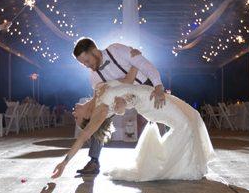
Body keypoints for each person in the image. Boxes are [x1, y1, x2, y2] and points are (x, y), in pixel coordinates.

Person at [51, 67, 215, 181]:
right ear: (86, 118)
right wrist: (64, 163)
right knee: (186, 124)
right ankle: (183, 166)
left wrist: (135, 61)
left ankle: (175, 164)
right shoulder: (100, 111)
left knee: (191, 117)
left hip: (149, 92)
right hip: (151, 104)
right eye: (76, 118)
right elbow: (84, 136)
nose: (73, 114)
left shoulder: (98, 90)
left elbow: (128, 80)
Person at [72, 37, 166, 175]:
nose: (87, 65)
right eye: (83, 64)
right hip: (119, 97)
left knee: (159, 116)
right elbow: (102, 97)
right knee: (99, 118)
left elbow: (144, 64)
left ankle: (164, 156)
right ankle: (94, 161)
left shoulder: (116, 50)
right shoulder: (93, 76)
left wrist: (158, 85)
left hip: (143, 86)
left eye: (87, 61)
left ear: (94, 51)